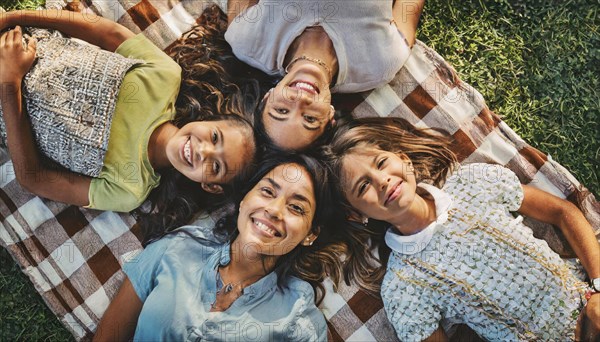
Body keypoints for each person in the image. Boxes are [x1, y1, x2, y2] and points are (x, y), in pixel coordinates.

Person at [325, 117, 600, 340]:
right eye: (363, 186)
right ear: (356, 214)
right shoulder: (402, 286)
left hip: (589, 302)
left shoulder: (473, 183)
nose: (382, 181)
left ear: (404, 160)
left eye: (381, 163)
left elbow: (562, 212)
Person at [0, 9, 257, 212]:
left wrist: (10, 83)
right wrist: (14, 17)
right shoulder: (165, 77)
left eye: (215, 166)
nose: (203, 151)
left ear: (210, 186)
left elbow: (33, 178)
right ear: (210, 119)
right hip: (17, 43)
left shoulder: (129, 190)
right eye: (214, 137)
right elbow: (105, 32)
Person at [93, 154, 343, 341]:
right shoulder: (176, 247)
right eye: (267, 191)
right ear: (245, 199)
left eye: (296, 208)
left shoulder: (299, 320)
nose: (274, 210)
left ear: (310, 234)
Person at [223, 0, 424, 151]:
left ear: (268, 97)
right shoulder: (379, 66)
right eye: (310, 119)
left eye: (282, 110)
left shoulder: (246, 42)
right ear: (329, 118)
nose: (301, 100)